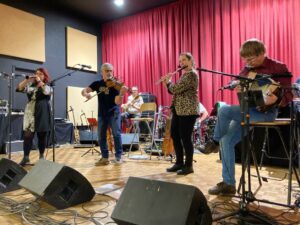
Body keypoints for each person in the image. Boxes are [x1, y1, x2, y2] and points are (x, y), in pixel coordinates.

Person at [201, 38, 292, 195]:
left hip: (267, 113)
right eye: (245, 59)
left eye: (251, 59)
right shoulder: (247, 70)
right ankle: (229, 185)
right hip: (248, 111)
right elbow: (237, 81)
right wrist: (235, 86)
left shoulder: (278, 67)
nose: (248, 63)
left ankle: (213, 142)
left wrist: (277, 99)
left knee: (224, 111)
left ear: (262, 53)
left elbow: (289, 94)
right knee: (227, 141)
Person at [82, 63, 127, 165]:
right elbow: (84, 90)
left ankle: (119, 157)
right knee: (101, 136)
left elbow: (117, 102)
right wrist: (86, 94)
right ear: (101, 72)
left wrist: (121, 94)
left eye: (111, 71)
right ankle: (105, 157)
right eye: (106, 71)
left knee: (116, 134)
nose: (109, 73)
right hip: (102, 113)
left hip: (113, 113)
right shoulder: (97, 84)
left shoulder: (116, 85)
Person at [161, 52, 200, 175]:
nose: (181, 63)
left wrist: (168, 82)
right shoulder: (184, 75)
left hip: (188, 110)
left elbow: (175, 89)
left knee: (185, 138)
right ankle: (179, 163)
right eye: (180, 61)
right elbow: (175, 91)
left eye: (184, 60)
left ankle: (188, 166)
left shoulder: (191, 74)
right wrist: (169, 83)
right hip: (179, 110)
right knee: (175, 135)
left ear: (190, 61)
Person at [16, 68, 52, 166]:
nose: (37, 75)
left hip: (42, 112)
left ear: (45, 76)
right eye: (36, 74)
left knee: (41, 136)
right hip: (30, 112)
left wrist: (40, 81)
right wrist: (27, 79)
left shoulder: (48, 86)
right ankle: (26, 157)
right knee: (27, 136)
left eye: (40, 74)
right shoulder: (31, 86)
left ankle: (41, 157)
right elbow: (19, 88)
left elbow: (46, 92)